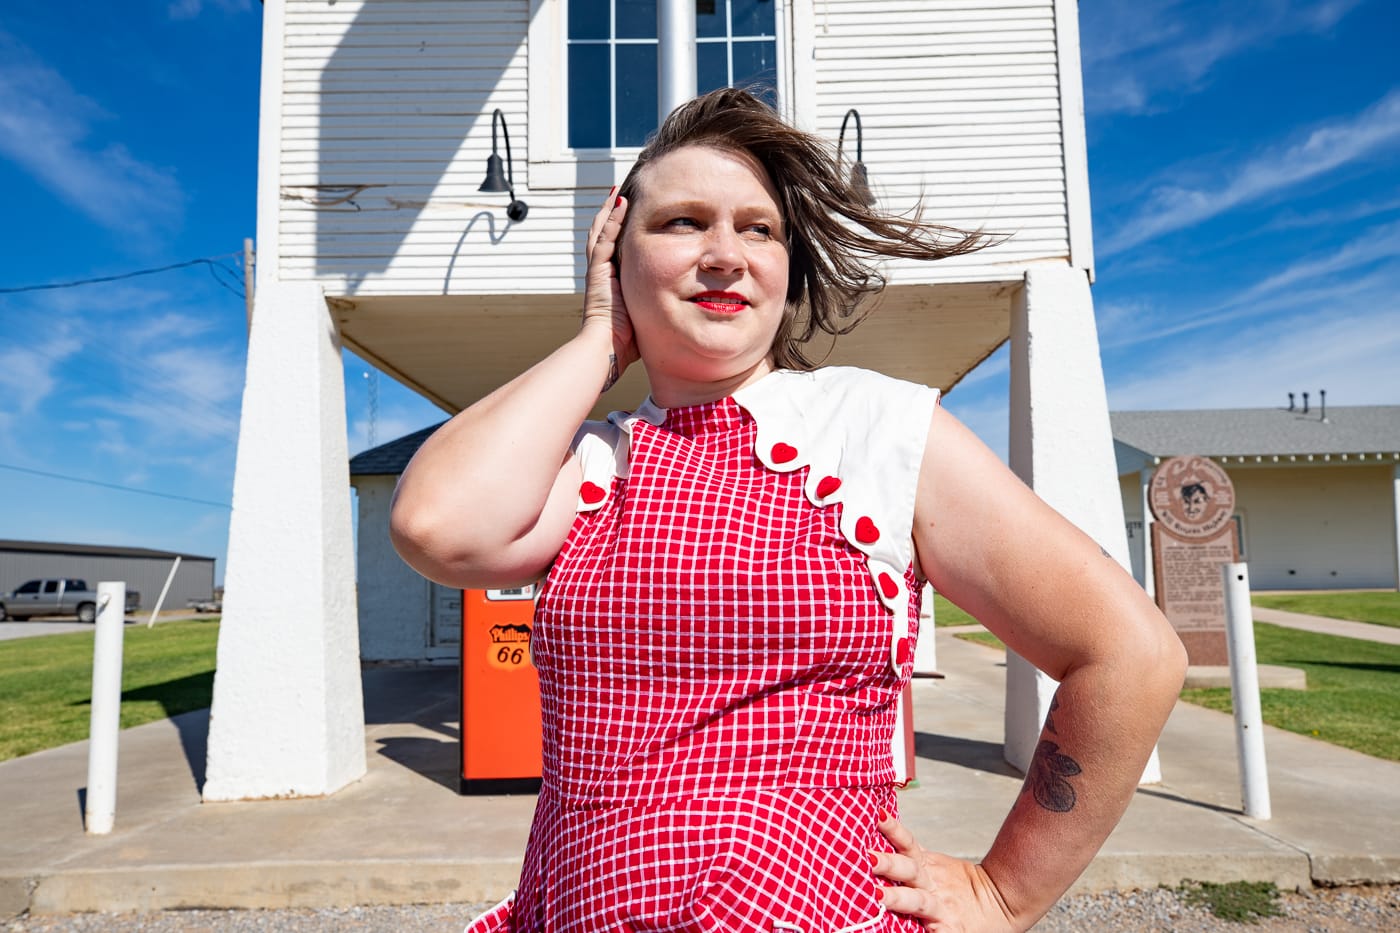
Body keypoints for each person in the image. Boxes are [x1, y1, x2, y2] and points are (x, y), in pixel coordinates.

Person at [390, 88, 1187, 932]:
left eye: (758, 228)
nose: (726, 253)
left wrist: (1005, 889)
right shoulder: (591, 462)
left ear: (787, 267)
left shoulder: (874, 427)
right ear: (615, 253)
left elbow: (1130, 655)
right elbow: (435, 525)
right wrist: (601, 336)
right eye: (682, 223)